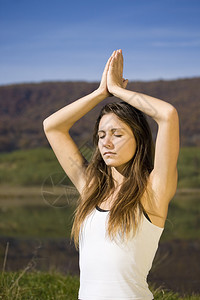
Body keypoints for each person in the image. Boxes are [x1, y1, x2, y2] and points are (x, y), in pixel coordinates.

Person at [43, 49, 180, 300]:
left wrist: (118, 90)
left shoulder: (153, 190)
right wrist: (100, 94)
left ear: (138, 139)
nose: (106, 143)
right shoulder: (91, 188)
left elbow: (168, 115)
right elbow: (52, 127)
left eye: (117, 134)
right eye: (101, 135)